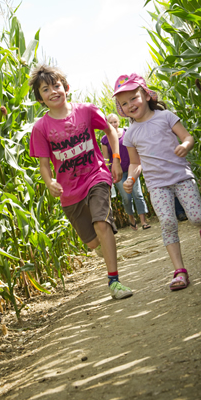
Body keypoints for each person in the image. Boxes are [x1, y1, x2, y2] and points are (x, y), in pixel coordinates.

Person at [29, 64, 133, 300]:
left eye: (56, 86)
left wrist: (115, 160)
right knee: (93, 243)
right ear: (40, 98)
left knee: (102, 224)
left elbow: (110, 131)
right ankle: (104, 251)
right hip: (69, 191)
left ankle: (114, 281)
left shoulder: (86, 111)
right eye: (46, 89)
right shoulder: (41, 128)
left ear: (66, 87)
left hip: (96, 175)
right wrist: (49, 182)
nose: (53, 91)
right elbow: (44, 164)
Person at [113, 73, 201, 291]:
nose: (130, 105)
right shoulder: (131, 134)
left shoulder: (166, 116)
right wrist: (131, 178)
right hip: (156, 184)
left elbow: (188, 137)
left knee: (198, 217)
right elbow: (135, 162)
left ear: (145, 94)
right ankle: (180, 271)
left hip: (181, 177)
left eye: (133, 98)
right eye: (124, 103)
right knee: (168, 223)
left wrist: (186, 146)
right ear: (120, 109)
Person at [101, 113, 151, 231]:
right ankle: (132, 220)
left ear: (118, 122)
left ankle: (143, 221)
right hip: (117, 173)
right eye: (110, 122)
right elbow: (106, 159)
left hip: (131, 170)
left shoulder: (127, 132)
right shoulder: (104, 139)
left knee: (138, 194)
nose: (113, 125)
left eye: (115, 122)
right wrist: (107, 173)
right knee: (126, 198)